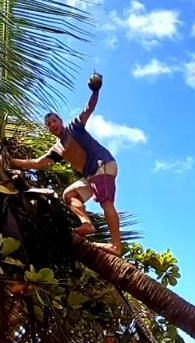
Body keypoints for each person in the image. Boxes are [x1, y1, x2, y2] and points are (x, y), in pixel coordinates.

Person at [9, 73, 121, 255]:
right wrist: (10, 161)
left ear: (60, 121)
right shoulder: (57, 149)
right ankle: (86, 224)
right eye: (48, 124)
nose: (52, 124)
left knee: (106, 202)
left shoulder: (75, 127)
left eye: (54, 120)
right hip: (91, 175)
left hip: (103, 165)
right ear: (48, 129)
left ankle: (116, 246)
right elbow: (37, 164)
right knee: (69, 194)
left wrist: (95, 90)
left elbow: (89, 108)